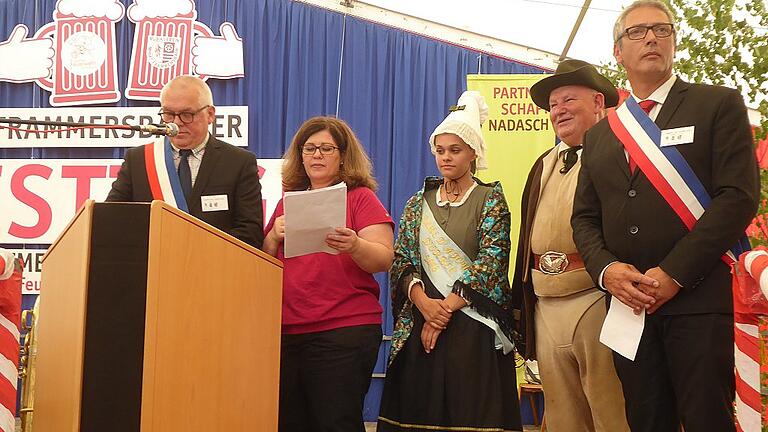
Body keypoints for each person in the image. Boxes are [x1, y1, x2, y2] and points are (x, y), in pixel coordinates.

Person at [571, 1, 760, 431]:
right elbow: (584, 218)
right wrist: (607, 271)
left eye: (661, 29)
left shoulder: (718, 105)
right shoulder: (602, 134)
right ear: (619, 51)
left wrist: (673, 274)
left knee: (705, 419)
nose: (651, 38)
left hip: (699, 300)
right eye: (637, 32)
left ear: (675, 40)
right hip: (627, 306)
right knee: (644, 417)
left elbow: (738, 197)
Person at [378, 91, 522, 431]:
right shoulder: (418, 202)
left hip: (471, 325)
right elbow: (402, 260)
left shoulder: (491, 200)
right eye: (440, 150)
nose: (446, 158)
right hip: (420, 320)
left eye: (455, 150)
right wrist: (425, 305)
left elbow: (492, 260)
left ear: (473, 153)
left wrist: (443, 312)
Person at [512, 59, 630, 431]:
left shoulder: (621, 154)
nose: (558, 110)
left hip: (596, 296)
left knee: (610, 409)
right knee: (562, 415)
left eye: (568, 100)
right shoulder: (543, 162)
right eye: (553, 105)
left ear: (598, 102)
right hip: (546, 302)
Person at [262, 116, 394, 431]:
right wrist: (271, 238)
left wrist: (355, 245)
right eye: (309, 148)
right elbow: (260, 263)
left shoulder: (360, 197)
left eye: (326, 148)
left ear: (343, 155)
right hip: (288, 331)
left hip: (343, 330)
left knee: (336, 422)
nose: (317, 155)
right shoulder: (286, 203)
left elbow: (383, 258)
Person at [107, 75, 263, 249]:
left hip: (213, 268)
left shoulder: (238, 162)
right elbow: (111, 220)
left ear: (210, 114)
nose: (176, 123)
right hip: (153, 267)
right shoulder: (138, 160)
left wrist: (193, 248)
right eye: (168, 114)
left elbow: (251, 233)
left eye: (186, 114)